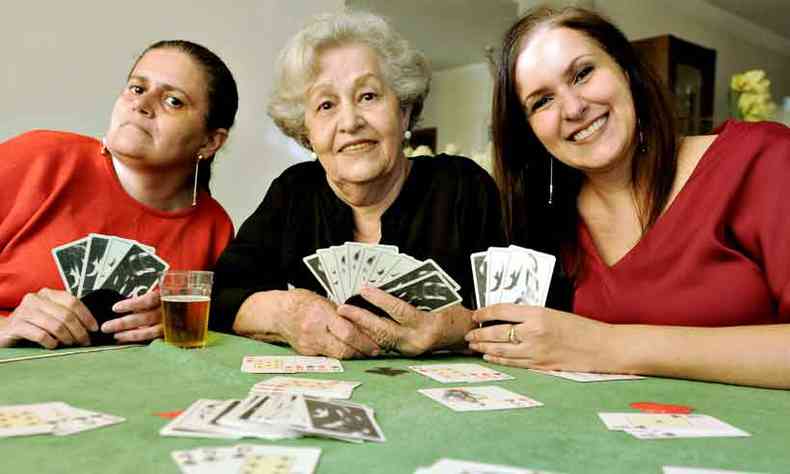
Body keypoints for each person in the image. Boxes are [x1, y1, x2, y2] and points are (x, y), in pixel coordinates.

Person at [466, 6, 790, 389]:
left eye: (583, 73)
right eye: (542, 101)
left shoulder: (762, 159)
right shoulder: (549, 223)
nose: (573, 108)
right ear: (529, 132)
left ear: (626, 70)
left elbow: (588, 346)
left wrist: (607, 345)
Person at [211, 11, 504, 358]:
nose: (350, 122)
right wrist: (284, 314)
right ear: (306, 132)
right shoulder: (294, 192)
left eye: (368, 96)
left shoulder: (462, 187)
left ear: (404, 111)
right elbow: (221, 295)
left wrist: (456, 330)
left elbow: (529, 313)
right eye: (326, 105)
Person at [0, 40, 237, 349]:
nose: (141, 104)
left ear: (209, 142)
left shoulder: (214, 228)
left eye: (173, 101)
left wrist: (172, 327)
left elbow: (202, 345)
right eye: (137, 89)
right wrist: (5, 326)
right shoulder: (36, 159)